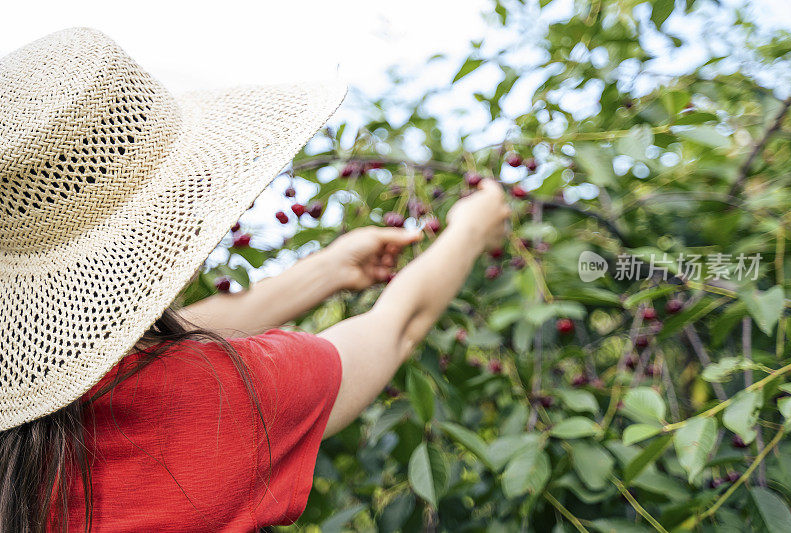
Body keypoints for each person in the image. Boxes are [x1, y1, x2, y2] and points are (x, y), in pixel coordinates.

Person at [0, 28, 510, 531]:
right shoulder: (225, 399)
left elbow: (147, 336)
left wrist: (329, 269)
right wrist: (471, 226)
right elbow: (398, 326)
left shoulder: (33, 408)